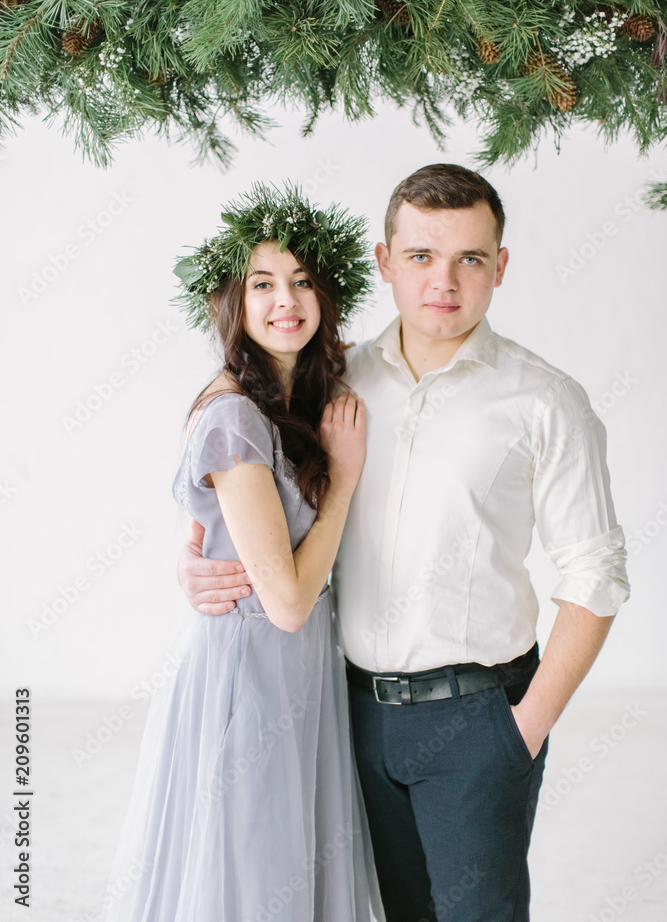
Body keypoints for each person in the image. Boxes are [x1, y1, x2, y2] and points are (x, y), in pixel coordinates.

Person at [178, 164, 630, 922]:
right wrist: (198, 565)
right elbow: (259, 499)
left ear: (500, 267)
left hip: (478, 719)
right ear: (385, 263)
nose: (443, 281)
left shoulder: (544, 401)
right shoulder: (333, 382)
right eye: (420, 256)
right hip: (345, 716)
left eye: (469, 259)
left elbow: (596, 572)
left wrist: (523, 729)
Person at [100, 183, 386, 922]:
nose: (283, 300)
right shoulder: (234, 417)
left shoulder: (301, 401)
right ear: (231, 301)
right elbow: (288, 602)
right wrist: (346, 478)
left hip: (299, 680)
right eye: (261, 284)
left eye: (299, 282)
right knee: (254, 882)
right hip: (250, 681)